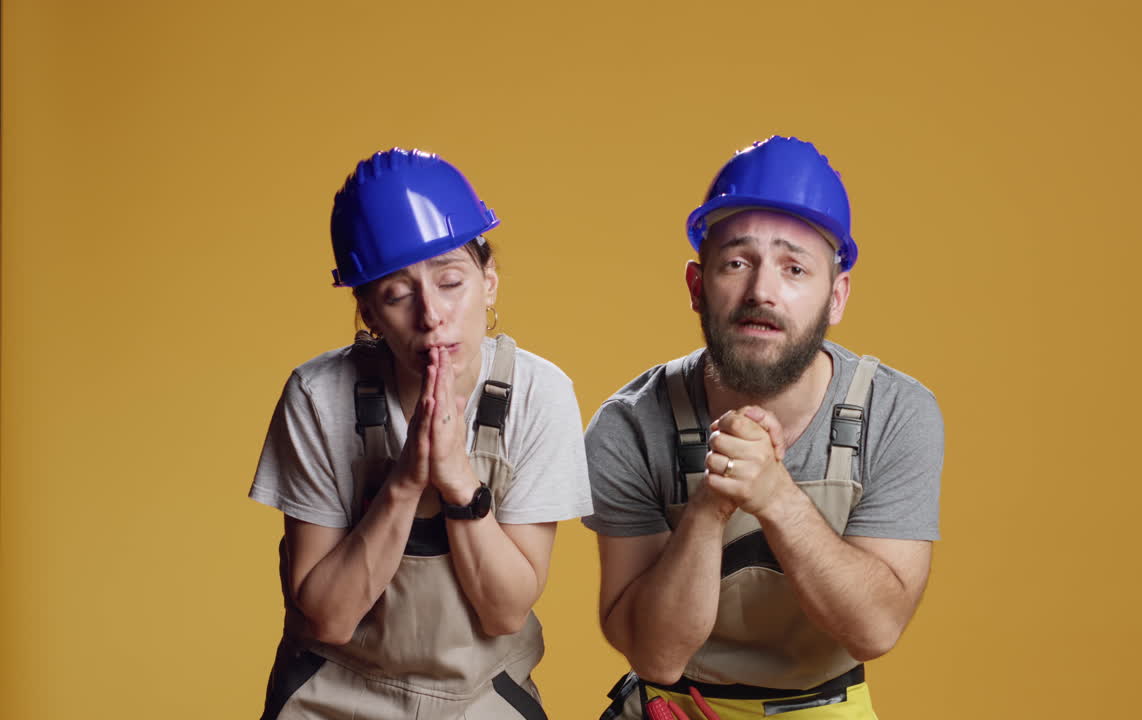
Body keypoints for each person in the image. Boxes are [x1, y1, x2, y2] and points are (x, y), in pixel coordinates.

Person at [584, 136, 944, 720]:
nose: (762, 292)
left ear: (836, 296)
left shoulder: (896, 413)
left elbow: (875, 630)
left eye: (795, 268)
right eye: (736, 262)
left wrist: (775, 494)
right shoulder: (629, 424)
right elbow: (656, 654)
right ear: (698, 287)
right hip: (671, 708)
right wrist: (709, 506)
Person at [249, 148, 592, 720]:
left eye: (452, 281)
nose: (432, 314)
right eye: (398, 294)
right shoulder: (318, 396)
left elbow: (505, 613)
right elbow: (328, 618)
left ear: (489, 284)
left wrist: (459, 482)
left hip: (483, 696)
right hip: (331, 694)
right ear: (369, 314)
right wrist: (405, 483)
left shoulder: (540, 395)